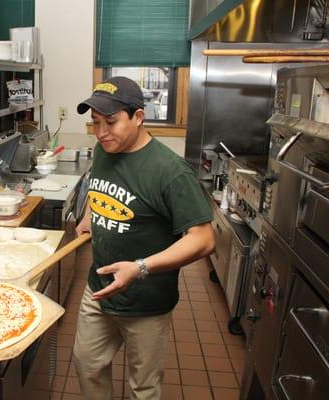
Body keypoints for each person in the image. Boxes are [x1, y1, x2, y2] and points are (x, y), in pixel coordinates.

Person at [72, 76, 215, 400]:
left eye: (110, 122)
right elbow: (99, 192)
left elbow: (204, 239)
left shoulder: (170, 171)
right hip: (99, 290)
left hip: (146, 300)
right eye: (95, 123)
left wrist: (140, 267)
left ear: (138, 117)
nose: (101, 132)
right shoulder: (103, 150)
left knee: (143, 386)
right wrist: (89, 219)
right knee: (86, 364)